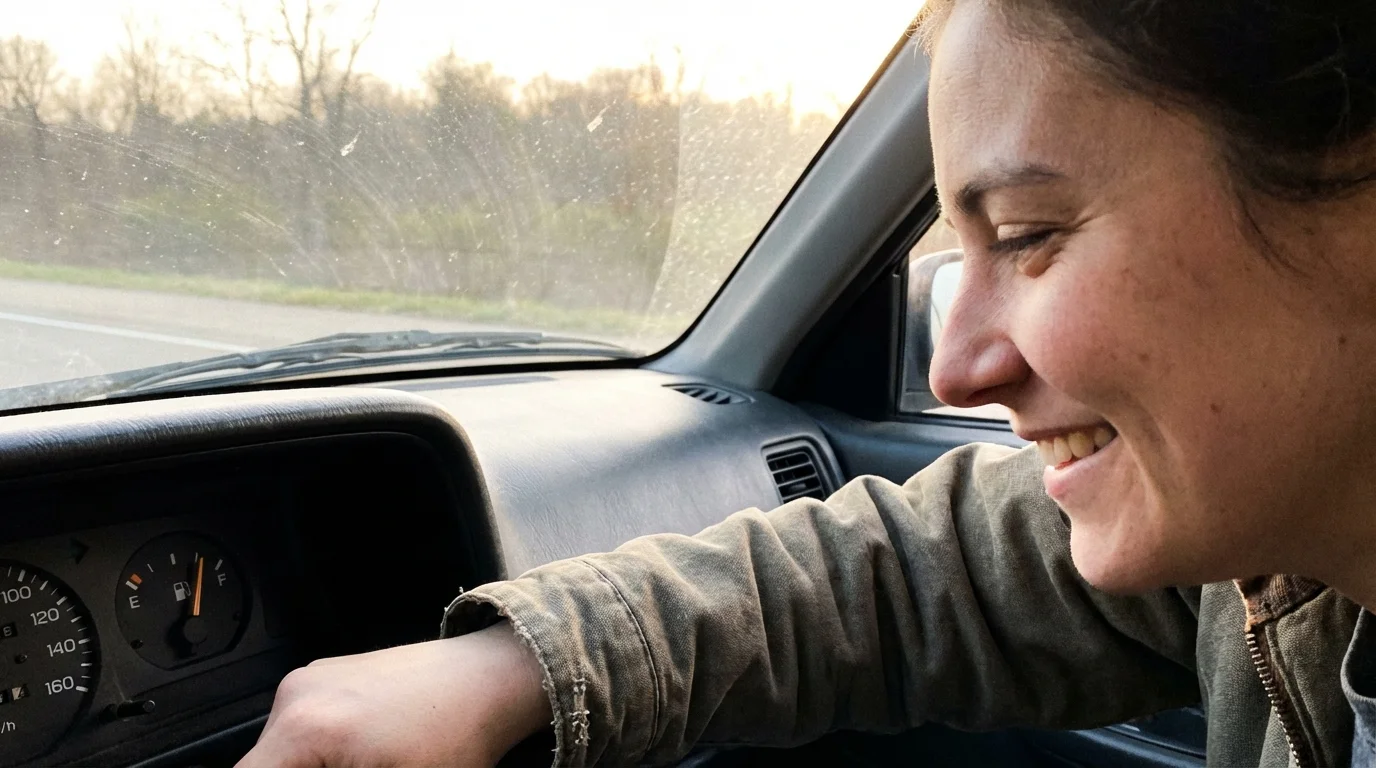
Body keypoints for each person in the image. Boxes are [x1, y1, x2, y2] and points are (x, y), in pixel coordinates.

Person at [237, 1, 1376, 766]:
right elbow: (923, 577)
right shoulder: (1264, 561)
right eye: (957, 250)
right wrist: (517, 666)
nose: (956, 370)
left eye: (1030, 234)